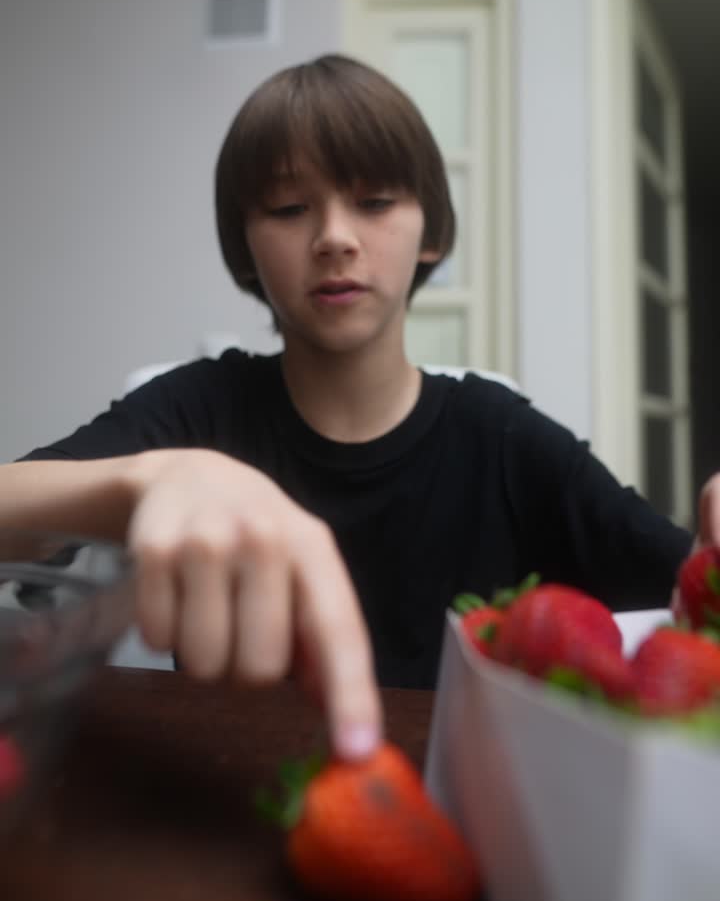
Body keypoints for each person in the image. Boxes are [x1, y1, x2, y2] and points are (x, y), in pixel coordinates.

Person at [0, 54, 717, 762]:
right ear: (245, 247)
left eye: (374, 202)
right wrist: (147, 482)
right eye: (287, 208)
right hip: (224, 809)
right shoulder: (198, 410)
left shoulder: (504, 438)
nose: (335, 237)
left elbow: (689, 595)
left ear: (430, 231)